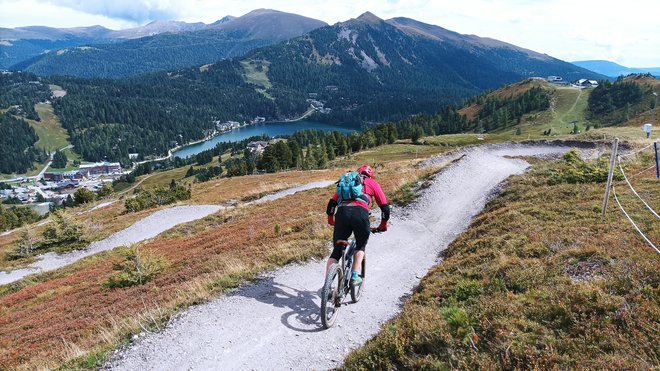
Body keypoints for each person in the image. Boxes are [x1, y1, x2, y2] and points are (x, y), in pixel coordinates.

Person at [325, 165, 390, 285]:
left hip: (342, 214)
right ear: (370, 175)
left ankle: (327, 284)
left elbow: (332, 204)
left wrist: (331, 220)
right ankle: (354, 276)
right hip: (360, 214)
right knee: (360, 246)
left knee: (337, 251)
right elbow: (385, 209)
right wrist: (383, 225)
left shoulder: (346, 182)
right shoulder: (372, 183)